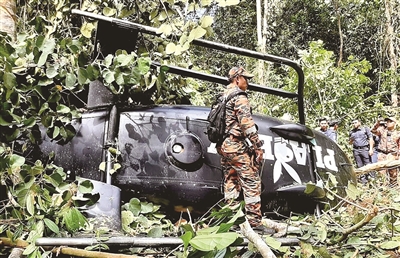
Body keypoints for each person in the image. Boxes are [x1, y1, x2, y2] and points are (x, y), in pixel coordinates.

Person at [216, 66, 266, 232]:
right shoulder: (239, 97)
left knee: (230, 180)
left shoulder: (222, 96)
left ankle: (233, 222)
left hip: (223, 145)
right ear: (237, 79)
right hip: (235, 145)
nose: (248, 82)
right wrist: (257, 146)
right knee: (251, 180)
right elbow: (247, 124)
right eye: (246, 78)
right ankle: (254, 224)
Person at [371, 116, 400, 184]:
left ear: (394, 123)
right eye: (387, 121)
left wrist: (398, 156)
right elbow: (372, 131)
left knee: (393, 173)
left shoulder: (398, 133)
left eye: (390, 121)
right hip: (382, 154)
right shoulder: (382, 130)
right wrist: (377, 123)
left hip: (392, 155)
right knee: (381, 172)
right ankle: (382, 188)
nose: (388, 123)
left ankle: (393, 187)